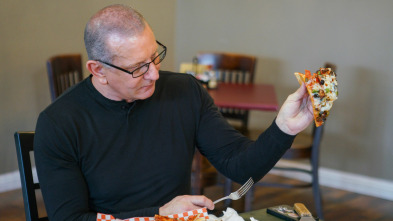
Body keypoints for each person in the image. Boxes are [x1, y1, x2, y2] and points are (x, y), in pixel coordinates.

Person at [34, 4, 313, 221]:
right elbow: (70, 218)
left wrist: (284, 129)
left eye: (155, 57)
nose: (154, 74)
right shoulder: (59, 123)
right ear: (98, 70)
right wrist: (160, 213)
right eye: (139, 67)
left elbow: (240, 165)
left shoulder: (185, 92)